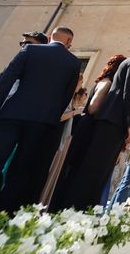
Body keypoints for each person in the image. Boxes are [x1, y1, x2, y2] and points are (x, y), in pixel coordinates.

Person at [0, 26, 80, 216]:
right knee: (19, 173)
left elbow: (5, 81)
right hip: (40, 123)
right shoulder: (74, 62)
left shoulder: (30, 50)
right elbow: (66, 97)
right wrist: (50, 120)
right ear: (68, 43)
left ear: (50, 37)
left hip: (11, 115)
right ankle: (1, 218)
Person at [58, 38, 130, 211]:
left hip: (111, 122)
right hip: (115, 122)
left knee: (97, 168)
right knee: (97, 169)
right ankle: (78, 208)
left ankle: (79, 207)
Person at [50, 54, 127, 211]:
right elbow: (93, 107)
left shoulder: (102, 81)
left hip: (87, 126)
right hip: (89, 127)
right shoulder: (108, 83)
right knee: (78, 165)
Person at [39, 77, 88, 206]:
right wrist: (75, 112)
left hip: (64, 140)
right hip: (57, 139)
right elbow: (59, 116)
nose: (81, 85)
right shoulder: (67, 99)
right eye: (81, 82)